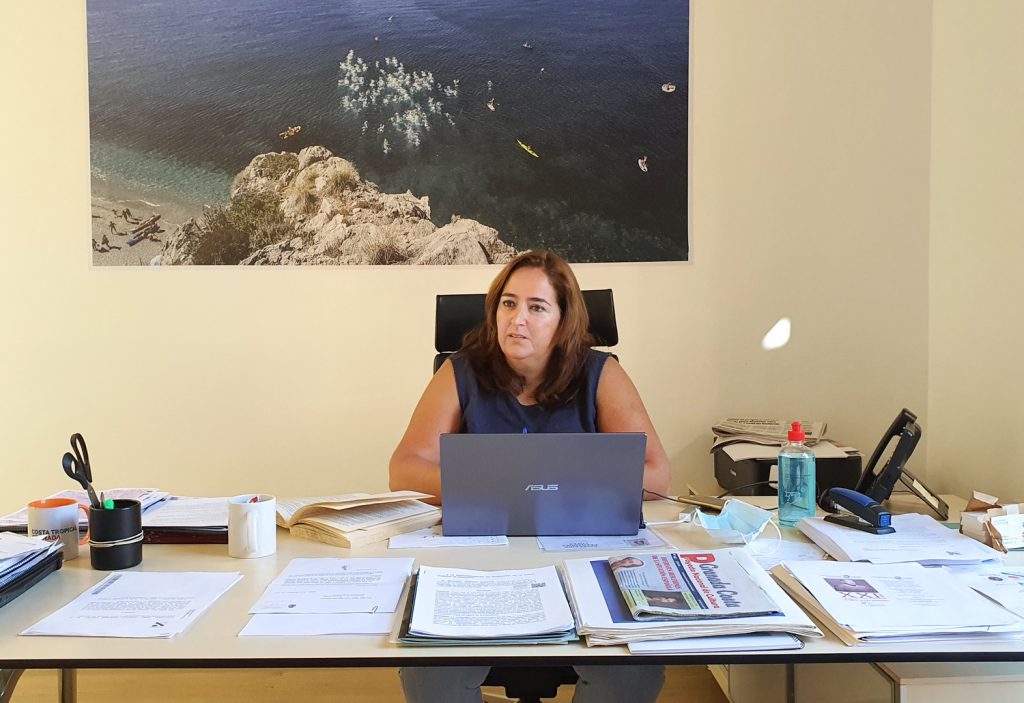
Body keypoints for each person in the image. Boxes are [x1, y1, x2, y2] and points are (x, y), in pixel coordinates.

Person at [390, 250, 670, 703]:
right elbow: (404, 470)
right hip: (479, 564)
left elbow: (656, 476)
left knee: (632, 669)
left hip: (583, 560)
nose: (517, 319)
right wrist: (500, 488)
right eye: (508, 303)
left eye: (537, 307)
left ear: (564, 321)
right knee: (431, 671)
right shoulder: (460, 371)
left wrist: (536, 484)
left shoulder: (601, 373)